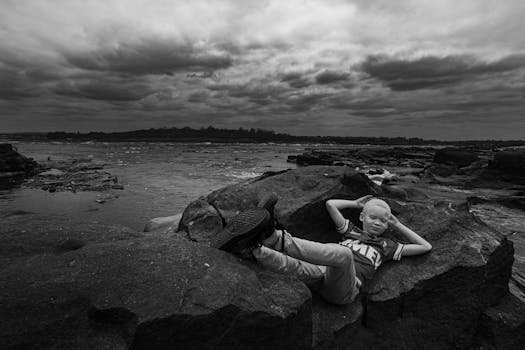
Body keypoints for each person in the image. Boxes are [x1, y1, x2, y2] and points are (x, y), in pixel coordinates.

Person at [213, 194, 432, 305]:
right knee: (294, 266)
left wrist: (397, 224)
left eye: (383, 221)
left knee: (343, 254)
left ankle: (272, 236)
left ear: (388, 225)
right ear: (363, 217)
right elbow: (331, 205)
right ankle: (250, 247)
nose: (377, 223)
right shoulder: (351, 231)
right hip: (320, 274)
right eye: (372, 217)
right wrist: (356, 204)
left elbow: (425, 247)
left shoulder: (388, 246)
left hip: (345, 291)